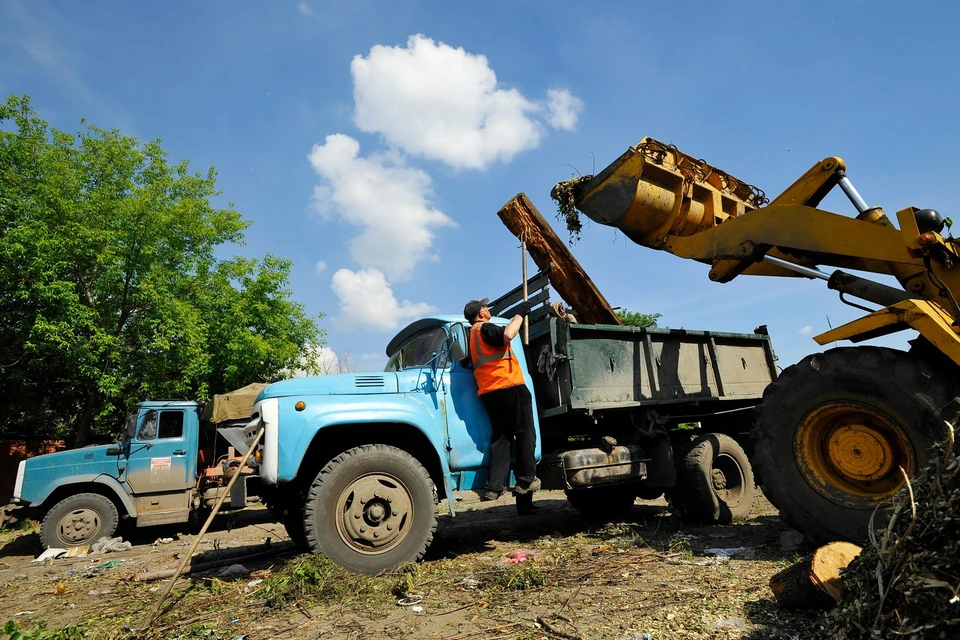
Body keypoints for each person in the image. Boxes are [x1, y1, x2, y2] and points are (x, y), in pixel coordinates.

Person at [463, 297, 541, 515]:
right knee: (526, 434)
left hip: (489, 392)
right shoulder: (484, 328)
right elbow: (508, 334)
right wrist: (520, 314)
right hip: (509, 386)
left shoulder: (471, 337)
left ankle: (494, 488)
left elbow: (468, 362)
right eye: (485, 307)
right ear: (480, 314)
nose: (488, 309)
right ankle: (526, 481)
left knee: (502, 438)